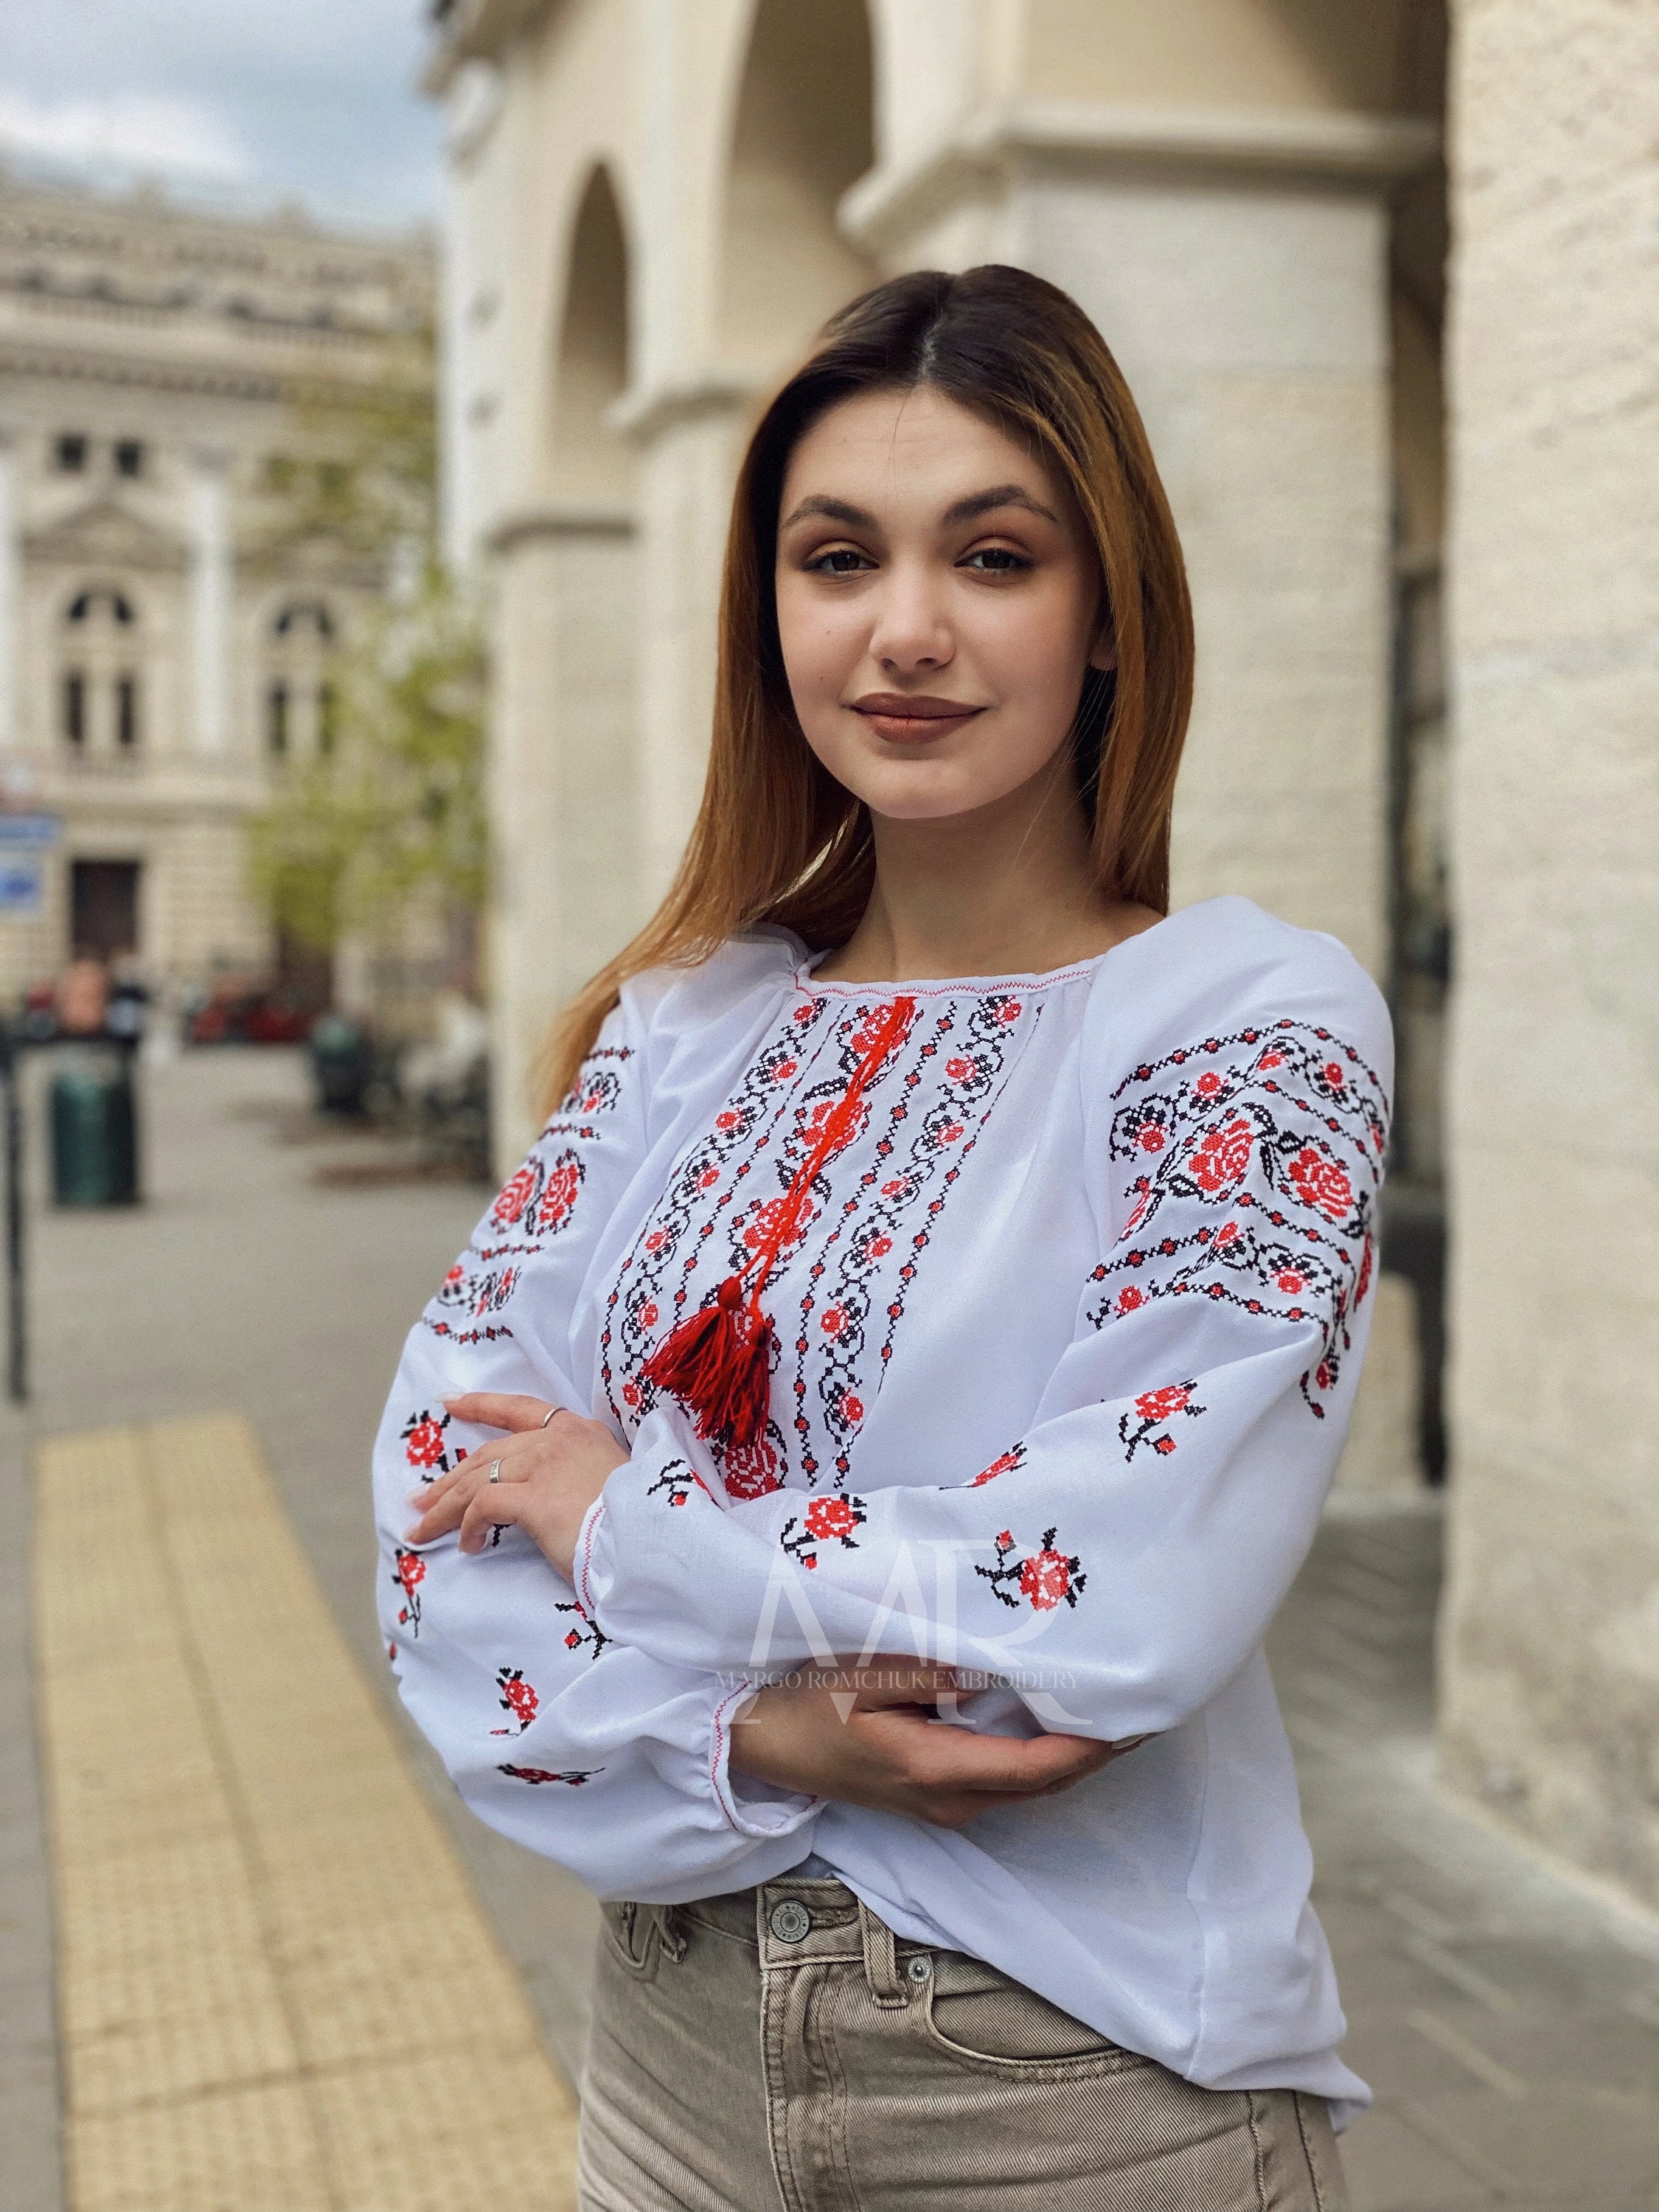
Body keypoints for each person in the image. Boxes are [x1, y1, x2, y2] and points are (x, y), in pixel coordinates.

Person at [375, 265, 1384, 2210]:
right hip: (667, 2059)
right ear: (771, 610)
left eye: (992, 556)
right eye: (837, 557)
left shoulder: (1238, 1028)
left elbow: (1090, 1613)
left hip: (1061, 2081)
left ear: (1104, 617)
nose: (904, 631)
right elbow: (442, 1511)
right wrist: (759, 1733)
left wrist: (622, 1527)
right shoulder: (684, 1029)